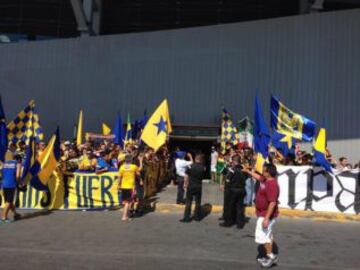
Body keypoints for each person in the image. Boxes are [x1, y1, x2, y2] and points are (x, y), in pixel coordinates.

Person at [242, 163, 280, 268]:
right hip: (262, 213)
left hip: (266, 215)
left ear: (268, 172)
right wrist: (248, 171)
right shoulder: (265, 180)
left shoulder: (272, 185)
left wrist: (266, 218)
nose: (262, 172)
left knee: (263, 236)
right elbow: (258, 177)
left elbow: (272, 202)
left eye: (264, 171)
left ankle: (270, 257)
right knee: (268, 235)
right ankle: (270, 255)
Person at [219, 155, 247, 229]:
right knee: (240, 208)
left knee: (230, 206)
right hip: (242, 189)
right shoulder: (243, 169)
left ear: (234, 161)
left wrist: (226, 184)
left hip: (233, 190)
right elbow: (246, 177)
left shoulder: (232, 170)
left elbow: (228, 180)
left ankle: (228, 222)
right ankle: (239, 224)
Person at [180, 154, 206, 223]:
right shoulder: (203, 167)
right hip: (198, 186)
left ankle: (187, 217)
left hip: (191, 186)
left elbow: (186, 176)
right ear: (201, 160)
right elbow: (203, 176)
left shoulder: (191, 166)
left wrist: (185, 184)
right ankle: (197, 217)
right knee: (198, 202)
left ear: (195, 159)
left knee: (188, 201)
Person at [118, 154, 141, 221]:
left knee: (128, 201)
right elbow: (139, 173)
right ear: (131, 160)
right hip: (131, 186)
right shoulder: (134, 167)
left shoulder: (122, 167)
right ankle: (124, 216)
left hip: (123, 186)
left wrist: (118, 186)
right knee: (128, 202)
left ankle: (128, 214)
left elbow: (119, 178)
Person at [1, 154, 23, 223]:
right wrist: (20, 183)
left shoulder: (5, 163)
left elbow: (2, 173)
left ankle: (15, 214)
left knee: (9, 201)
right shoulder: (18, 164)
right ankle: (3, 218)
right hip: (11, 184)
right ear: (19, 160)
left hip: (4, 184)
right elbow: (17, 176)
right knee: (8, 202)